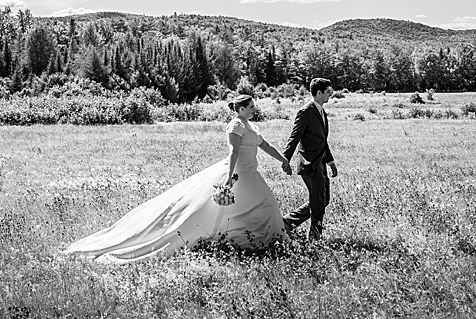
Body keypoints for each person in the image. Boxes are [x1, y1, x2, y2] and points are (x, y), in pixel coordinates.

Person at [63, 94, 290, 264]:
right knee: (213, 212)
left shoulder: (253, 126)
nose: (253, 110)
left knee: (267, 204)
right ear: (240, 109)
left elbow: (265, 145)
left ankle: (269, 242)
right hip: (238, 173)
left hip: (253, 175)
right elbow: (233, 152)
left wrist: (283, 160)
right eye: (250, 107)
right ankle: (239, 240)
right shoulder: (236, 125)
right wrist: (229, 178)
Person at [282, 77, 338, 240]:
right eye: (328, 92)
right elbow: (295, 137)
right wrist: (285, 159)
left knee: (323, 200)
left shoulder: (321, 111)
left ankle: (287, 222)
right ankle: (314, 238)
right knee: (319, 201)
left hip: (320, 162)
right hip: (309, 164)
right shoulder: (305, 111)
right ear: (318, 92)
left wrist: (330, 160)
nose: (331, 95)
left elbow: (322, 140)